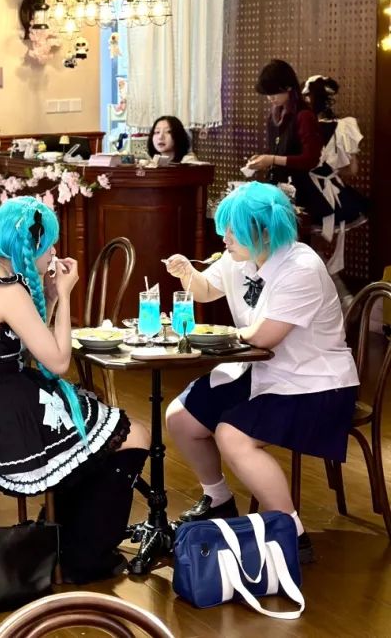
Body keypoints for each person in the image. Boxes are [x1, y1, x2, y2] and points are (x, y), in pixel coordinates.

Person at [0, 196, 150, 583]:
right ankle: (82, 556)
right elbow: (57, 362)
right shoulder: (9, 291)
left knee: (99, 432)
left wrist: (51, 295)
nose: (55, 252)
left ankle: (63, 536)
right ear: (29, 248)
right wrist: (68, 294)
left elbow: (29, 343)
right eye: (50, 245)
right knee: (134, 434)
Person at [164, 182, 358, 564]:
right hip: (261, 370)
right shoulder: (240, 257)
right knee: (180, 418)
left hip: (315, 383)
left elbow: (265, 336)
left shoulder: (301, 267)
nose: (225, 237)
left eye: (233, 230)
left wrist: (224, 334)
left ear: (265, 232)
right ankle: (218, 499)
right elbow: (206, 291)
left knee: (232, 436)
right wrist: (188, 273)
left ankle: (292, 533)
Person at [302, 75, 367, 286]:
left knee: (310, 250)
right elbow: (353, 169)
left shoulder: (302, 128)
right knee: (316, 249)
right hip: (336, 193)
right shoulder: (344, 126)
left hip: (308, 193)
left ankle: (337, 292)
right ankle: (339, 293)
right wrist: (332, 170)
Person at [244, 60, 324, 217]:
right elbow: (277, 148)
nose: (270, 98)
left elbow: (310, 159)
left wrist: (272, 159)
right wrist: (262, 158)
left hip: (301, 191)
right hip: (278, 188)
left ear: (288, 87)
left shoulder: (304, 116)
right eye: (267, 94)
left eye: (273, 93)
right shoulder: (274, 116)